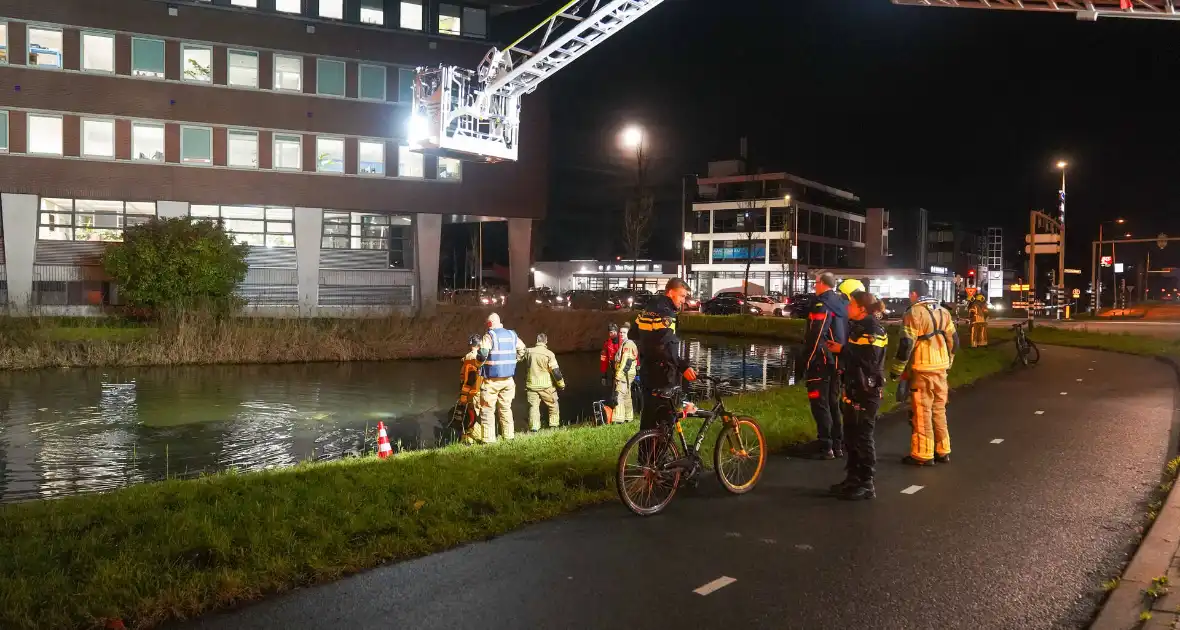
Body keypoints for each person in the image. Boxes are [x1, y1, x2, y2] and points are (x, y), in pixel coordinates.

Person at [826, 291, 888, 500]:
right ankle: (853, 479)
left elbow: (870, 360)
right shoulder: (858, 327)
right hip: (854, 388)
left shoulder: (873, 330)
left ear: (862, 308)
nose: (847, 308)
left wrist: (843, 349)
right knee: (851, 436)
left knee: (863, 436)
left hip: (867, 391)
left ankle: (866, 482)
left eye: (851, 304)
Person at [890, 280, 959, 466]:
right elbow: (955, 341)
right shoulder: (943, 312)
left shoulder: (914, 312)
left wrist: (896, 370)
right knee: (939, 410)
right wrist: (948, 362)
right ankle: (943, 450)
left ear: (913, 294)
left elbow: (906, 345)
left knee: (922, 412)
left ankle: (922, 453)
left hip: (922, 369)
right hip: (941, 368)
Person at [635, 278, 698, 437]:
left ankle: (645, 458)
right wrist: (683, 366)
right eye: (682, 296)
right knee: (665, 420)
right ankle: (662, 459)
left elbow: (634, 333)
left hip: (647, 371)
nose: (683, 301)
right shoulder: (667, 314)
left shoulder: (648, 308)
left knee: (648, 419)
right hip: (663, 374)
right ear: (670, 292)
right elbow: (667, 347)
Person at [801, 271, 849, 460]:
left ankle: (825, 445)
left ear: (822, 284)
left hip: (821, 361)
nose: (814, 286)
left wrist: (807, 361)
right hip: (837, 362)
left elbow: (816, 336)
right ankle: (837, 444)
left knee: (819, 403)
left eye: (816, 282)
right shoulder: (842, 304)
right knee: (833, 403)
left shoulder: (822, 304)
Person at [477, 312, 527, 443]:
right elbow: (523, 350)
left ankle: (488, 440)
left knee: (487, 410)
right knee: (505, 408)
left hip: (492, 381)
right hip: (509, 381)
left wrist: (478, 365)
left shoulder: (489, 336)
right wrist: (515, 360)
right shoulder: (512, 335)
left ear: (489, 324)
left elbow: (482, 354)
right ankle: (509, 436)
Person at [524, 333, 566, 431]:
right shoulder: (549, 354)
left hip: (531, 385)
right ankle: (554, 426)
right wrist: (561, 384)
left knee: (533, 407)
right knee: (553, 404)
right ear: (546, 341)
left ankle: (534, 428)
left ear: (537, 340)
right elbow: (556, 372)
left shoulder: (529, 352)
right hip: (546, 385)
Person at [458, 334, 484, 444]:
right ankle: (480, 437)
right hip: (475, 391)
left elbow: (463, 376)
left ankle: (467, 440)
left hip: (466, 391)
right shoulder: (479, 358)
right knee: (475, 416)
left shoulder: (467, 357)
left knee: (467, 415)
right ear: (480, 344)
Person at [612, 324, 640, 423]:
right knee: (627, 395)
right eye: (620, 332)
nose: (621, 334)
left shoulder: (628, 344)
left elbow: (625, 362)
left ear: (628, 334)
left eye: (624, 332)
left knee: (618, 394)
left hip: (625, 374)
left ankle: (619, 420)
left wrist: (618, 376)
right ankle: (628, 417)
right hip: (628, 374)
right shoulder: (626, 343)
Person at [600, 323, 621, 389]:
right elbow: (603, 360)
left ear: (617, 332)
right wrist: (604, 375)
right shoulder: (607, 344)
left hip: (624, 369)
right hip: (614, 370)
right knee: (614, 390)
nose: (612, 334)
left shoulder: (623, 341)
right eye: (611, 332)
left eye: (614, 332)